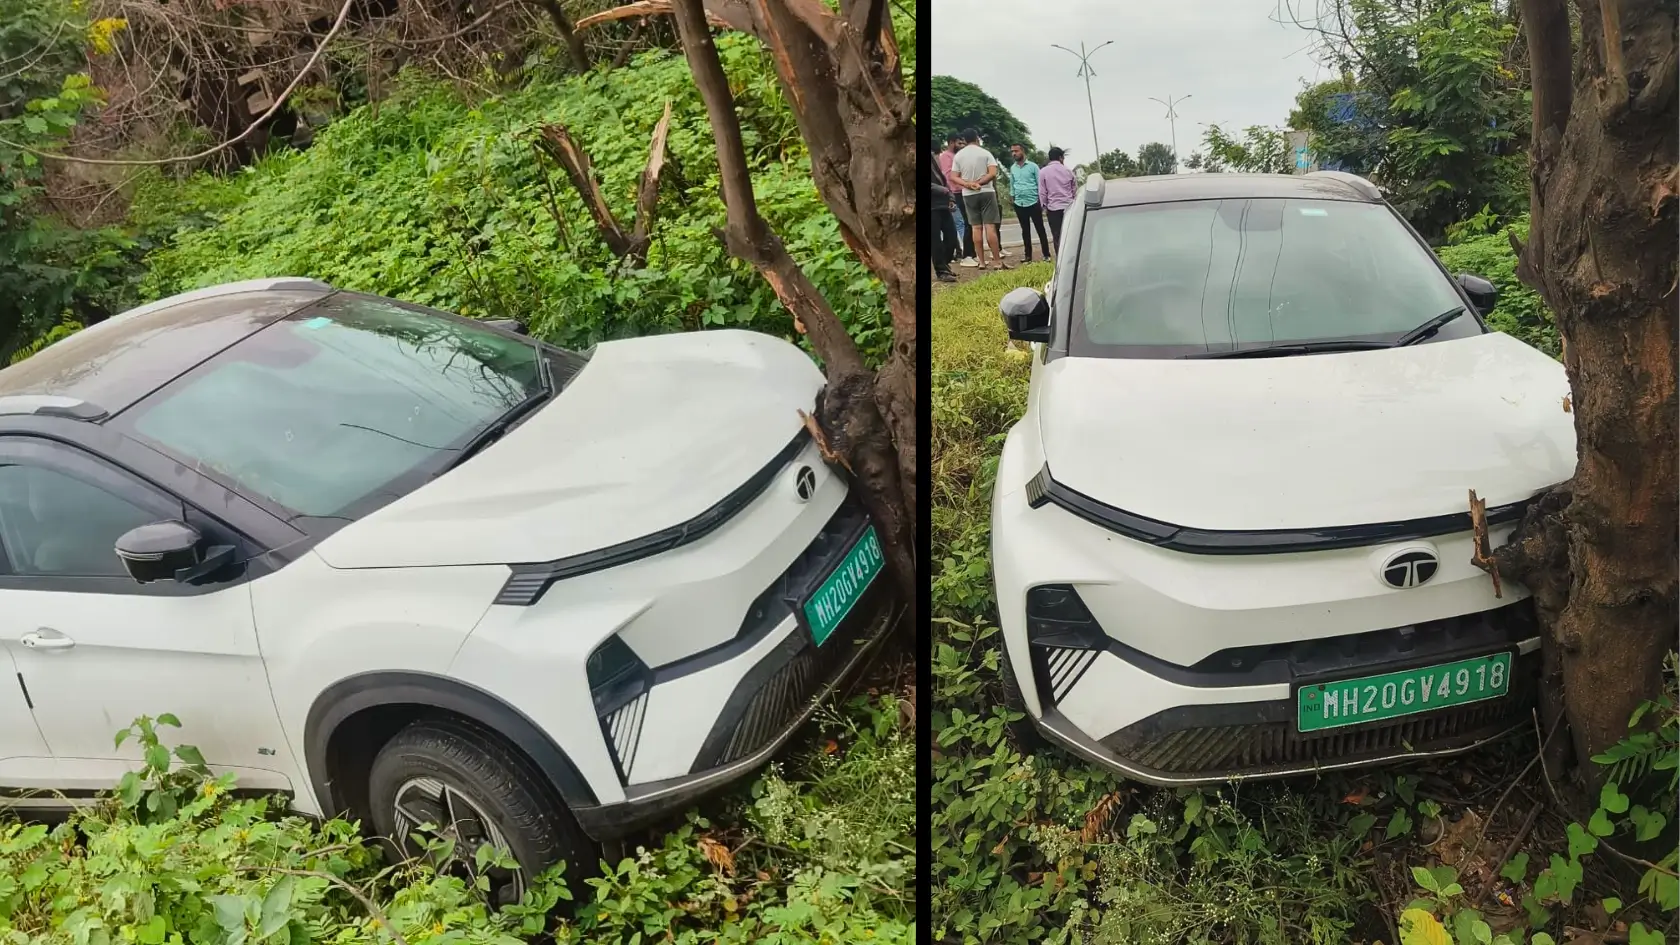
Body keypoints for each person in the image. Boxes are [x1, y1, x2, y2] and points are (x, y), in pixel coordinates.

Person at [949, 128, 1007, 270]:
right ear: (977, 138)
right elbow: (993, 173)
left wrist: (968, 184)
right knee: (990, 227)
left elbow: (953, 176)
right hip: (986, 191)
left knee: (975, 228)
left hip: (968, 194)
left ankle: (981, 262)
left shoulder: (959, 156)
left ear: (965, 140)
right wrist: (979, 183)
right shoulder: (985, 153)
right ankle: (997, 261)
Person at [1008, 144, 1052, 261]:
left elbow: (1040, 184)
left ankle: (1046, 254)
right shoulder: (1013, 168)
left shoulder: (1033, 167)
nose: (1014, 154)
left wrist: (1041, 200)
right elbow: (1012, 184)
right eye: (1012, 151)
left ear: (1022, 151)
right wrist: (1013, 196)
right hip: (1020, 203)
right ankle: (1028, 256)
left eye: (1016, 151)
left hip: (1033, 201)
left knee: (1040, 228)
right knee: (1025, 230)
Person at [940, 133, 977, 266]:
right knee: (963, 223)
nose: (962, 146)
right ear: (951, 142)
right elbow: (948, 176)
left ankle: (971, 254)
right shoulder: (946, 156)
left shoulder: (957, 156)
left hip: (963, 191)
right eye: (959, 143)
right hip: (955, 193)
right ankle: (965, 255)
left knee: (970, 223)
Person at [1039, 147, 1077, 255]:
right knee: (1070, 234)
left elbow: (1042, 193)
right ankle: (1072, 256)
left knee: (1057, 236)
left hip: (1053, 209)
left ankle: (1060, 259)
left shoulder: (1043, 172)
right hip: (1069, 207)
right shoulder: (1068, 171)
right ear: (1061, 158)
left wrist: (1044, 207)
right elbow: (1074, 190)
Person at [928, 149, 958, 282]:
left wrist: (951, 197)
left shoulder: (933, 159)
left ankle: (945, 265)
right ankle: (941, 271)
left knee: (951, 237)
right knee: (935, 241)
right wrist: (943, 190)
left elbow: (943, 180)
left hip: (943, 204)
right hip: (932, 206)